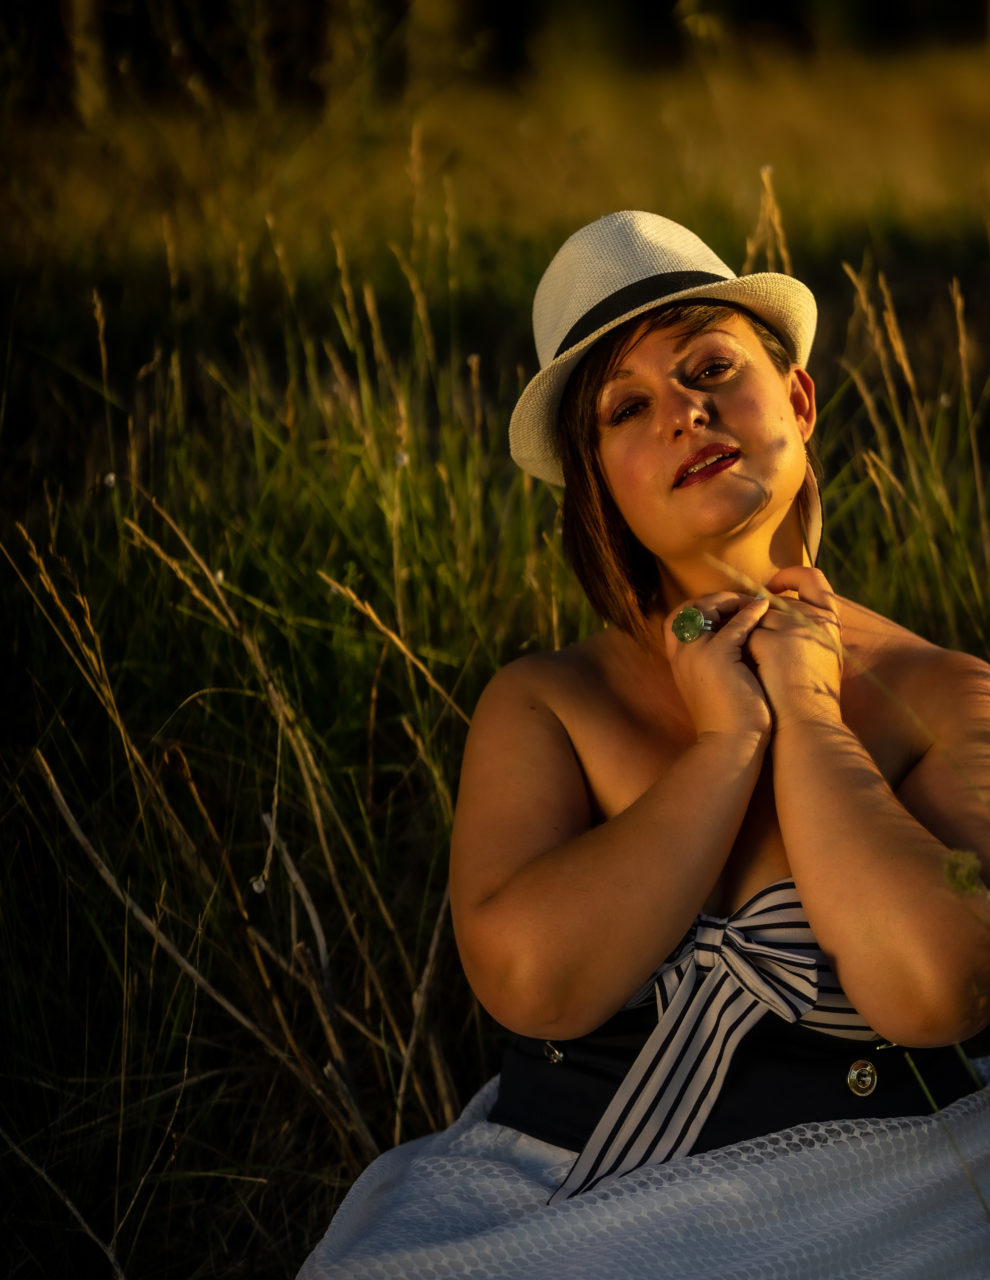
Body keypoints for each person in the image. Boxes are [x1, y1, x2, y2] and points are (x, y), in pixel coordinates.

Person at [298, 211, 990, 1278]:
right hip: (557, 1193)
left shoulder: (951, 694)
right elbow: (532, 979)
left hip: (896, 1190)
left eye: (711, 367)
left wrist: (809, 713)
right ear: (599, 484)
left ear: (799, 400)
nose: (685, 411)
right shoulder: (548, 704)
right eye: (629, 406)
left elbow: (938, 984)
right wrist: (727, 741)